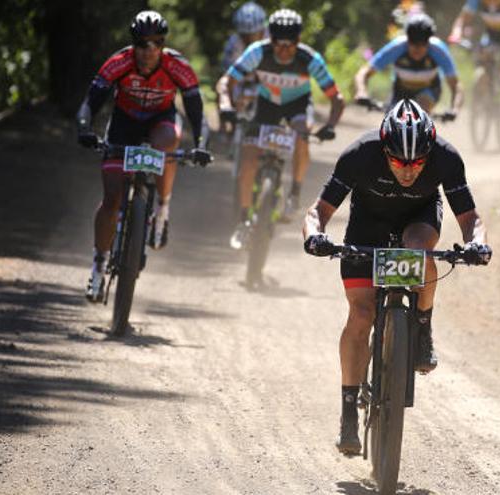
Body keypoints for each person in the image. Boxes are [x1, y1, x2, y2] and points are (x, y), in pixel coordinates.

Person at [302, 99, 492, 454]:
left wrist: (477, 244)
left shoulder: (446, 158)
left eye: (418, 163)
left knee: (418, 250)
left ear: (429, 152)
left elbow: (471, 219)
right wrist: (315, 236)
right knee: (361, 315)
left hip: (418, 218)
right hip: (367, 225)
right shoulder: (360, 153)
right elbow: (318, 211)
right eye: (399, 162)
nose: (408, 171)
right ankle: (348, 414)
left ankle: (422, 325)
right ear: (384, 149)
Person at [76, 10, 211, 303]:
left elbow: (197, 112)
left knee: (169, 142)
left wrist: (201, 144)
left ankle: (161, 210)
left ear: (163, 44)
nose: (148, 50)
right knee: (111, 199)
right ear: (133, 43)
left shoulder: (178, 66)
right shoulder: (119, 63)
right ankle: (98, 265)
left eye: (156, 43)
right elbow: (91, 101)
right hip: (124, 125)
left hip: (159, 121)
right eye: (141, 43)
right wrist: (84, 129)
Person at [217, 8, 345, 249]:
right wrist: (225, 105)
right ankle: (243, 220)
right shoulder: (257, 52)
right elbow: (226, 81)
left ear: (299, 40)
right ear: (270, 38)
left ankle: (294, 193)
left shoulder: (309, 59)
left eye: (291, 43)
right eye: (278, 42)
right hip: (267, 106)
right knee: (248, 159)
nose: (284, 49)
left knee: (301, 134)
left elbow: (337, 98)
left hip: (297, 106)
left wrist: (329, 126)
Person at [355, 13, 462, 115]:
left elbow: (455, 84)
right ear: (407, 39)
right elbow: (364, 72)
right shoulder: (397, 47)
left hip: (429, 91)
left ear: (429, 41)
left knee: (420, 109)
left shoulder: (438, 50)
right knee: (392, 123)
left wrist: (455, 109)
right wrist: (361, 92)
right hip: (401, 91)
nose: (417, 48)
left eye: (422, 43)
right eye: (413, 42)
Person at [448, 0, 500, 110]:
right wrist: (456, 33)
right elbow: (462, 19)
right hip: (491, 38)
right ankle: (485, 94)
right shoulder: (476, 2)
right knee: (484, 59)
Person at [218, 2, 268, 134]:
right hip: (240, 78)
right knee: (223, 87)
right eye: (245, 35)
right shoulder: (233, 43)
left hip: (264, 78)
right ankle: (227, 126)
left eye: (253, 34)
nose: (249, 39)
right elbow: (227, 74)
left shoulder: (271, 40)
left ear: (262, 30)